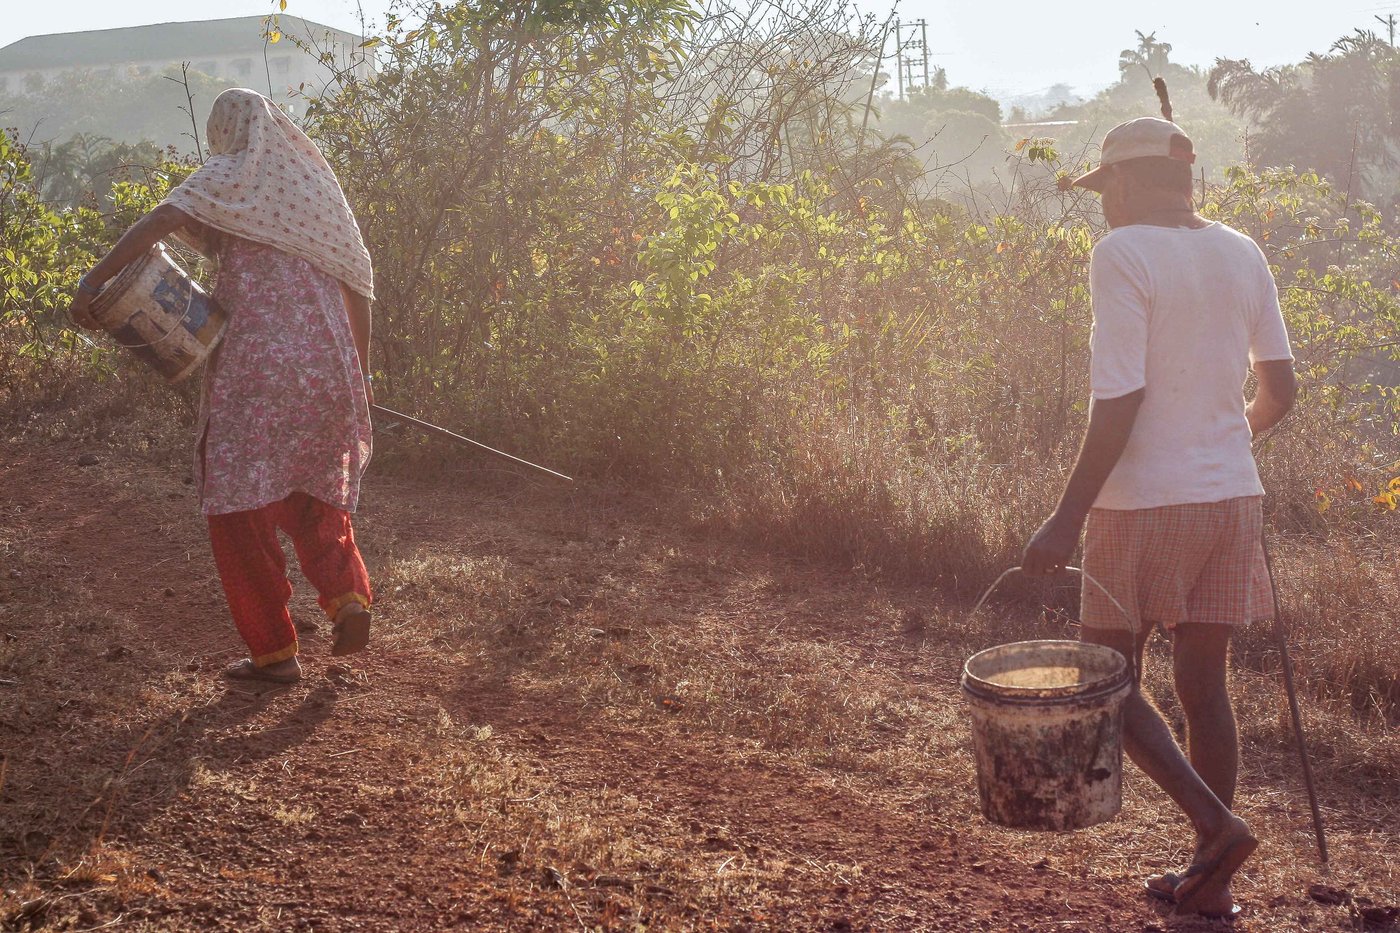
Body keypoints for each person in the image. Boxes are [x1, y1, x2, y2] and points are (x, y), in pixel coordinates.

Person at [1021, 117, 1296, 917]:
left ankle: (1215, 824)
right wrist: (1224, 439)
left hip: (1141, 501)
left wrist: (1065, 516)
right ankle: (1211, 887)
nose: (1104, 203)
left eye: (1107, 186)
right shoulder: (1242, 250)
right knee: (1203, 687)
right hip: (1230, 497)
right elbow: (1281, 390)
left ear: (1135, 181)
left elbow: (1121, 399)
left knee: (1104, 682)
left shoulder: (1122, 253)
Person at [69, 88, 377, 685]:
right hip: (329, 371)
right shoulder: (318, 193)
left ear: (227, 133)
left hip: (256, 371)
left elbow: (163, 220)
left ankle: (275, 650)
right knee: (311, 491)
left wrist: (94, 279)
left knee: (237, 502)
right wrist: (356, 378)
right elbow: (359, 284)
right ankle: (348, 599)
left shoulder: (233, 176)